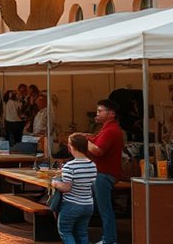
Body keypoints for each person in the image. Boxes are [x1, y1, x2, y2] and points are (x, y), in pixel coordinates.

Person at [86, 99, 124, 244]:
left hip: (104, 174)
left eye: (100, 111)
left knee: (105, 209)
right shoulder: (106, 129)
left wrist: (82, 141)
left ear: (111, 114)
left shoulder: (111, 130)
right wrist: (87, 136)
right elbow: (95, 140)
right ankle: (108, 238)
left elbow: (98, 150)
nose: (97, 113)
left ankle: (109, 239)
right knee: (103, 209)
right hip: (103, 173)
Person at [52, 133, 99, 244]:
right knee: (82, 232)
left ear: (71, 147)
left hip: (72, 204)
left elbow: (66, 188)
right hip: (88, 204)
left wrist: (55, 183)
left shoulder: (69, 166)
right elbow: (92, 184)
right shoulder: (92, 165)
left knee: (65, 231)